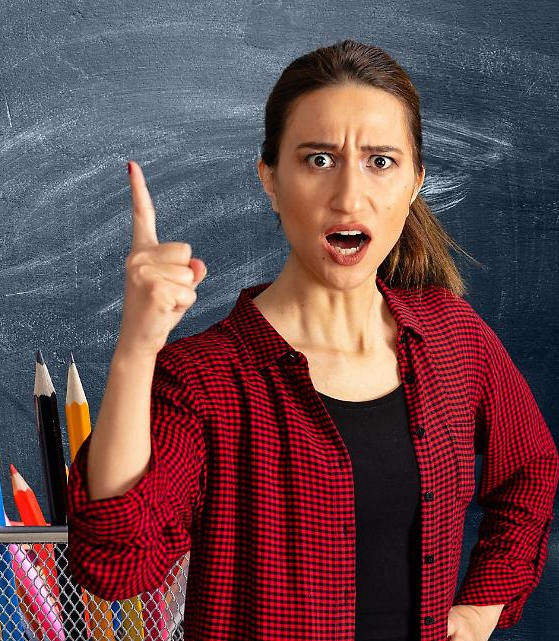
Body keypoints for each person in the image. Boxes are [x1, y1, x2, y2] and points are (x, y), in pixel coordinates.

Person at [66, 40, 558, 641]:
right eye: (318, 160)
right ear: (270, 179)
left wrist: (483, 606)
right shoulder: (202, 380)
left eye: (381, 161)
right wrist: (136, 349)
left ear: (415, 183)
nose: (349, 196)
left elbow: (530, 468)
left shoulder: (455, 339)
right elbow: (117, 565)